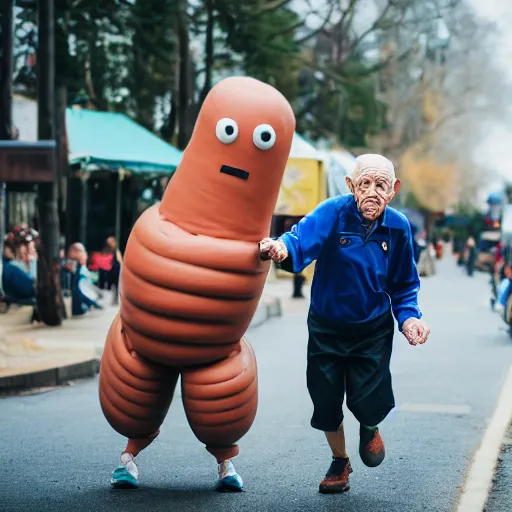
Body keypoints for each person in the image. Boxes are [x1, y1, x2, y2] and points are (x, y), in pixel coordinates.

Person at [259, 153, 430, 494]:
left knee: (366, 399)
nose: (372, 192)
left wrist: (410, 318)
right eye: (364, 183)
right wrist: (280, 248)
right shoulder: (333, 212)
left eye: (380, 185)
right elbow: (299, 238)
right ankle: (340, 460)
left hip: (372, 329)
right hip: (327, 326)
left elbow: (404, 283)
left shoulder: (397, 227)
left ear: (393, 190)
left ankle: (369, 424)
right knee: (325, 400)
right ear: (351, 185)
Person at [67, 242, 103, 316]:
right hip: (80, 275)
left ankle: (88, 304)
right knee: (79, 291)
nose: (84, 255)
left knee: (81, 290)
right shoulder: (75, 261)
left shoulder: (79, 263)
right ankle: (89, 304)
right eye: (81, 252)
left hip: (82, 275)